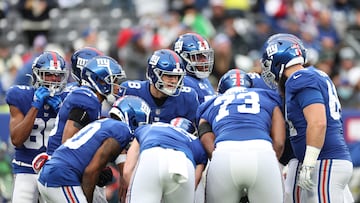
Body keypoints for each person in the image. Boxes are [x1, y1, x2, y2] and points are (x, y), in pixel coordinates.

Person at [260, 33, 353, 202]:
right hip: (327, 160)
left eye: (268, 63)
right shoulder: (309, 76)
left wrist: (309, 163)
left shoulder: (299, 78)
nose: (267, 69)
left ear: (278, 58)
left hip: (324, 161)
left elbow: (318, 122)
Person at [37, 95, 151, 203]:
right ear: (133, 119)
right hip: (62, 176)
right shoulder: (122, 131)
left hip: (53, 173)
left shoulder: (105, 124)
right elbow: (90, 172)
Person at [198, 68, 286, 203]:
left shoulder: (211, 103)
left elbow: (204, 131)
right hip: (262, 152)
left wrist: (215, 155)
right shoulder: (266, 96)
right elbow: (279, 141)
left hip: (224, 154)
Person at [5, 51, 68, 203]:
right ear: (37, 75)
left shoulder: (69, 99)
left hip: (56, 169)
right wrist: (35, 106)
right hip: (26, 168)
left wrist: (62, 111)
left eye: (57, 75)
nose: (54, 79)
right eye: (48, 74)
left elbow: (75, 139)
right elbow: (17, 140)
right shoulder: (21, 96)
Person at [45, 55, 127, 156]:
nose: (117, 87)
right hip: (61, 163)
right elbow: (67, 144)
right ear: (99, 80)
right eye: (113, 81)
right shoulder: (86, 99)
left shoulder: (91, 98)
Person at [123, 117, 208, 203]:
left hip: (153, 155)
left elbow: (127, 171)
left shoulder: (149, 127)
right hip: (183, 162)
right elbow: (193, 185)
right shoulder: (196, 142)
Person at [120, 48, 199, 123]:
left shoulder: (187, 97)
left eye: (177, 76)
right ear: (153, 74)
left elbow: (195, 133)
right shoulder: (130, 91)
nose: (174, 81)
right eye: (169, 76)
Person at [173, 32, 216, 103]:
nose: (204, 61)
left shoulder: (203, 79)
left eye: (205, 55)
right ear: (182, 58)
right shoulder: (183, 82)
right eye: (198, 57)